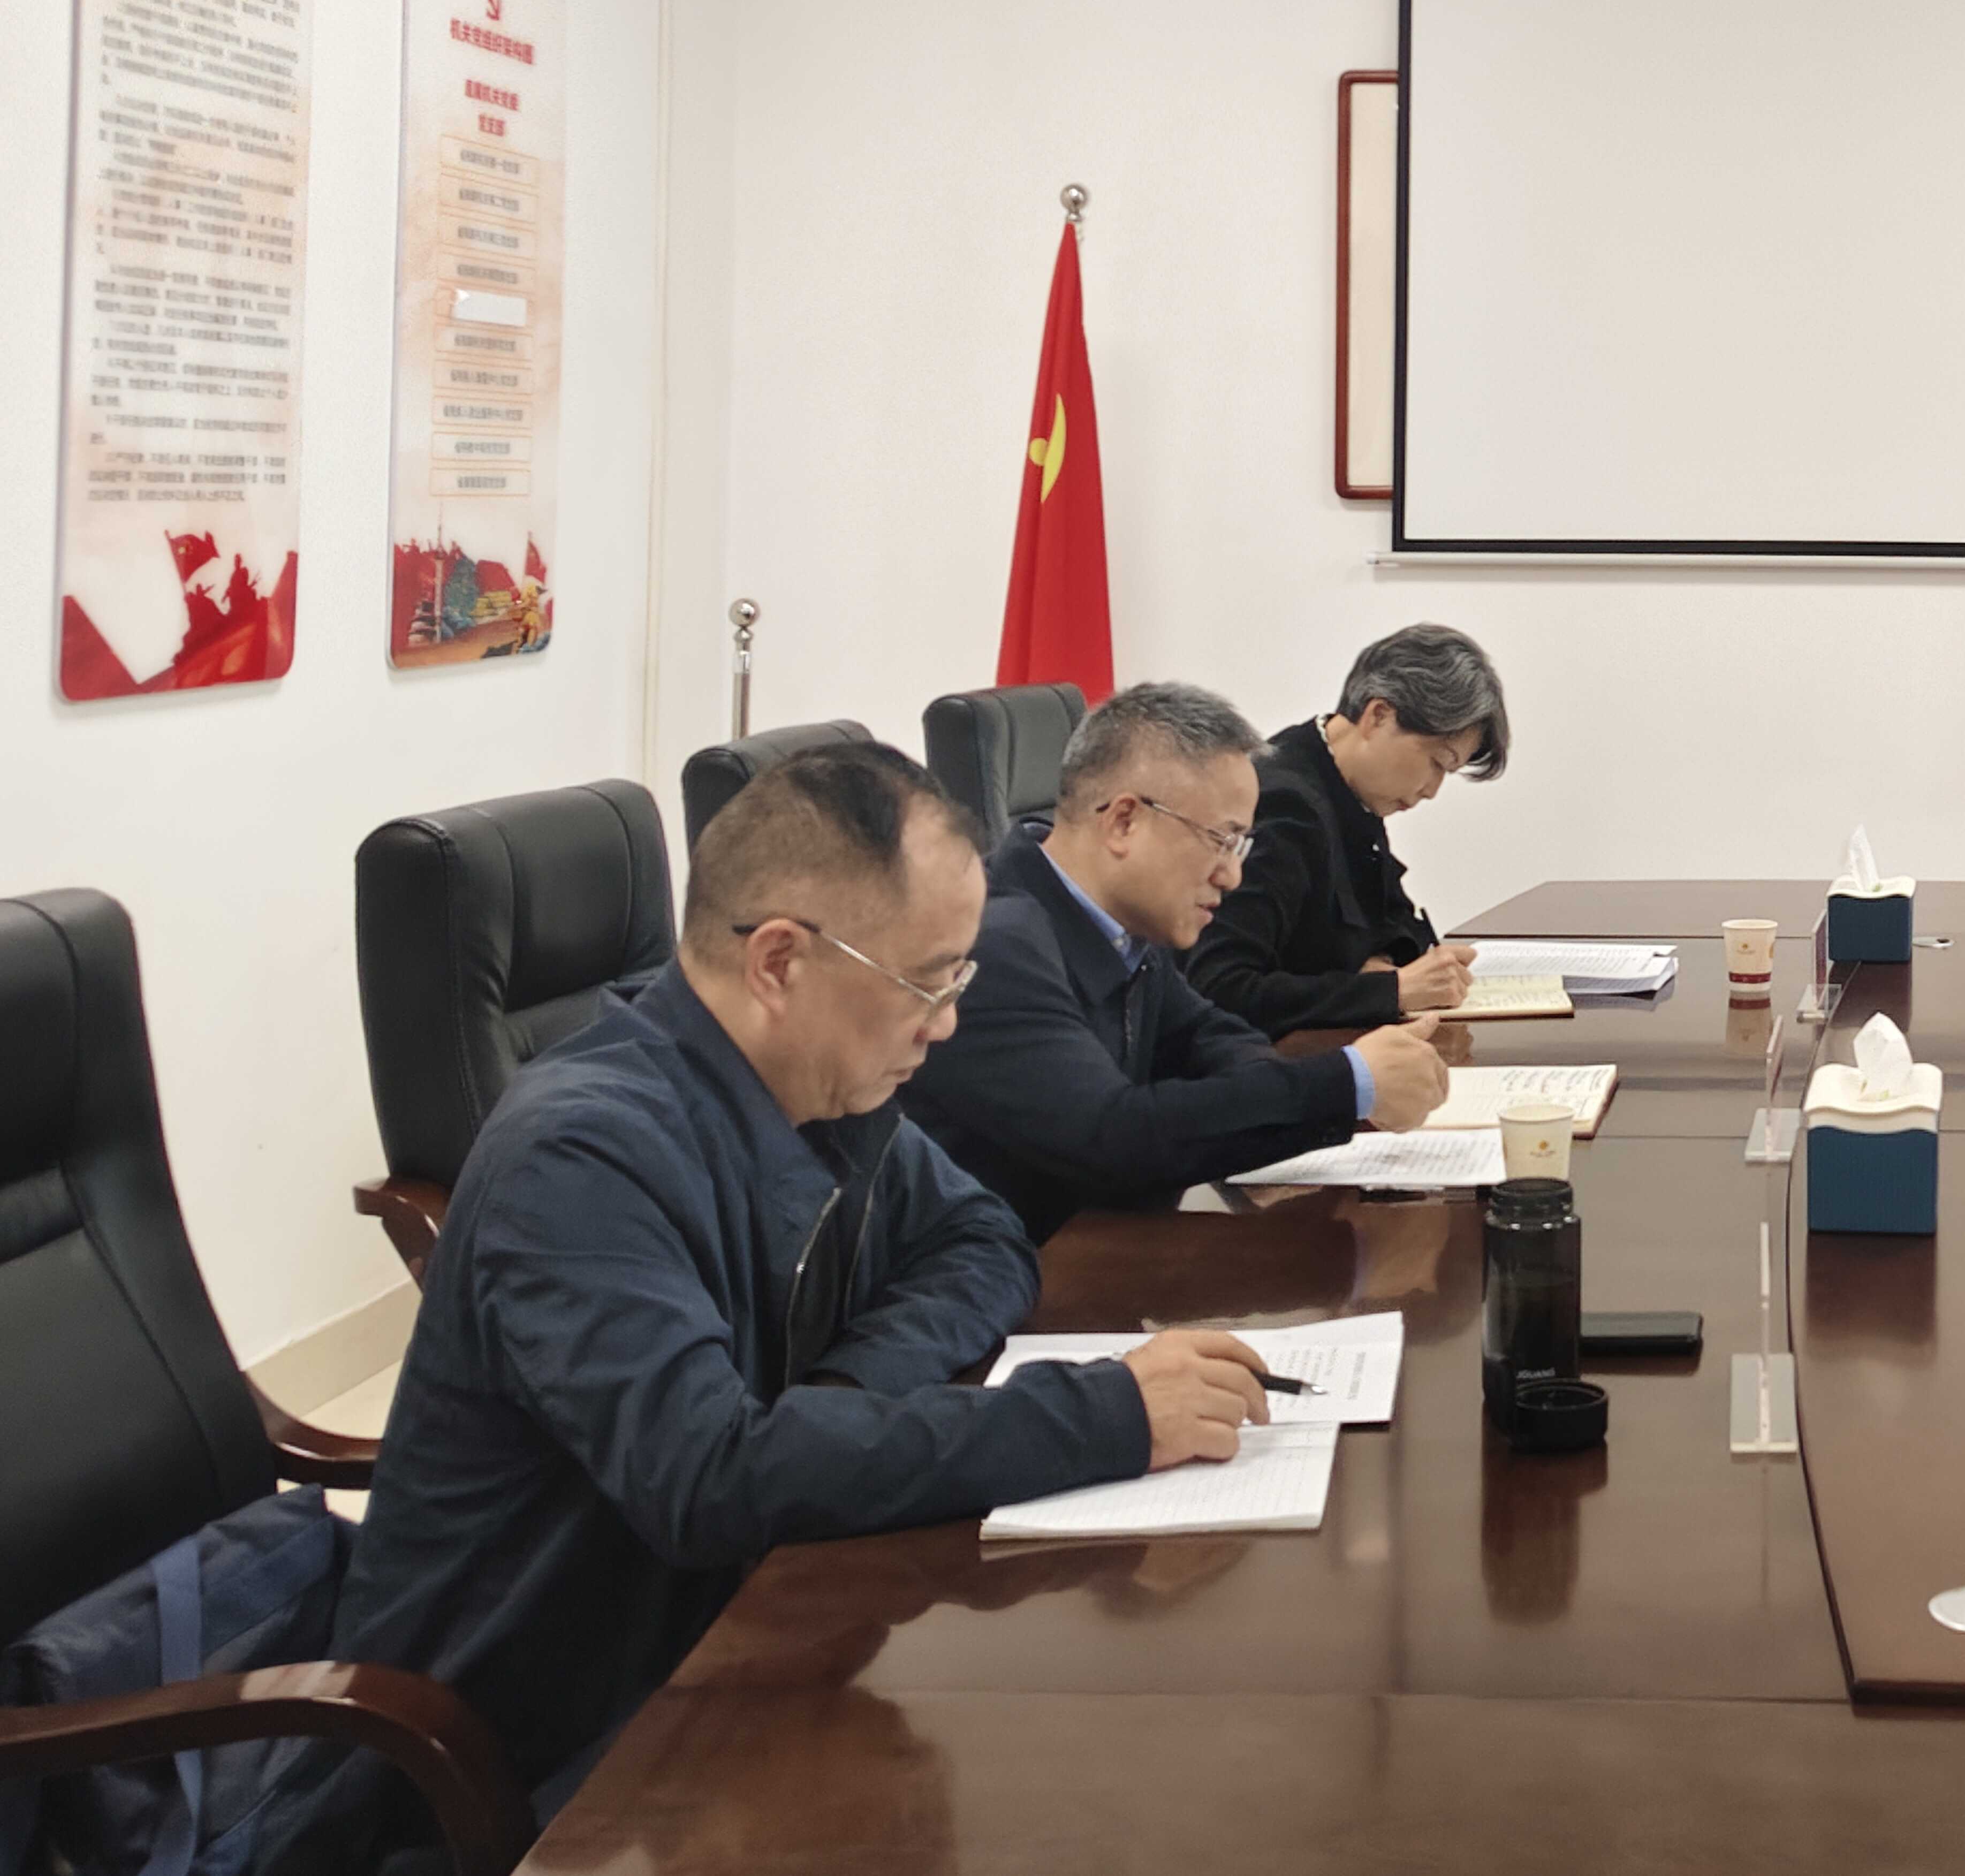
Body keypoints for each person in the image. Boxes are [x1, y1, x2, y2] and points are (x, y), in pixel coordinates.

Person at [259, 746, 1278, 1863]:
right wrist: (1107, 1414)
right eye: (930, 980)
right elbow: (710, 1480)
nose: (945, 1023)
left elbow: (983, 1240)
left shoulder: (820, 1082)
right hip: (535, 1751)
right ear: (782, 960)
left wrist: (841, 1392)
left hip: (731, 1631)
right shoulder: (579, 1153)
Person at [902, 681, 1445, 1237]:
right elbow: (1114, 1138)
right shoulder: (993, 946)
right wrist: (1347, 1083)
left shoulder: (1125, 925)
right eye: (1222, 840)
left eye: (1241, 847)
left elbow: (1214, 1038)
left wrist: (1302, 1093)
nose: (1232, 876)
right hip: (1017, 1272)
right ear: (1124, 822)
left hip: (1103, 1252)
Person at [1187, 624, 1508, 1038]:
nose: (1432, 791)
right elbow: (1219, 988)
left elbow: (1393, 923)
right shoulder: (1283, 807)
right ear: (1379, 716)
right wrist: (1390, 990)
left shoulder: (1351, 792)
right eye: (1436, 763)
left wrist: (1382, 962)